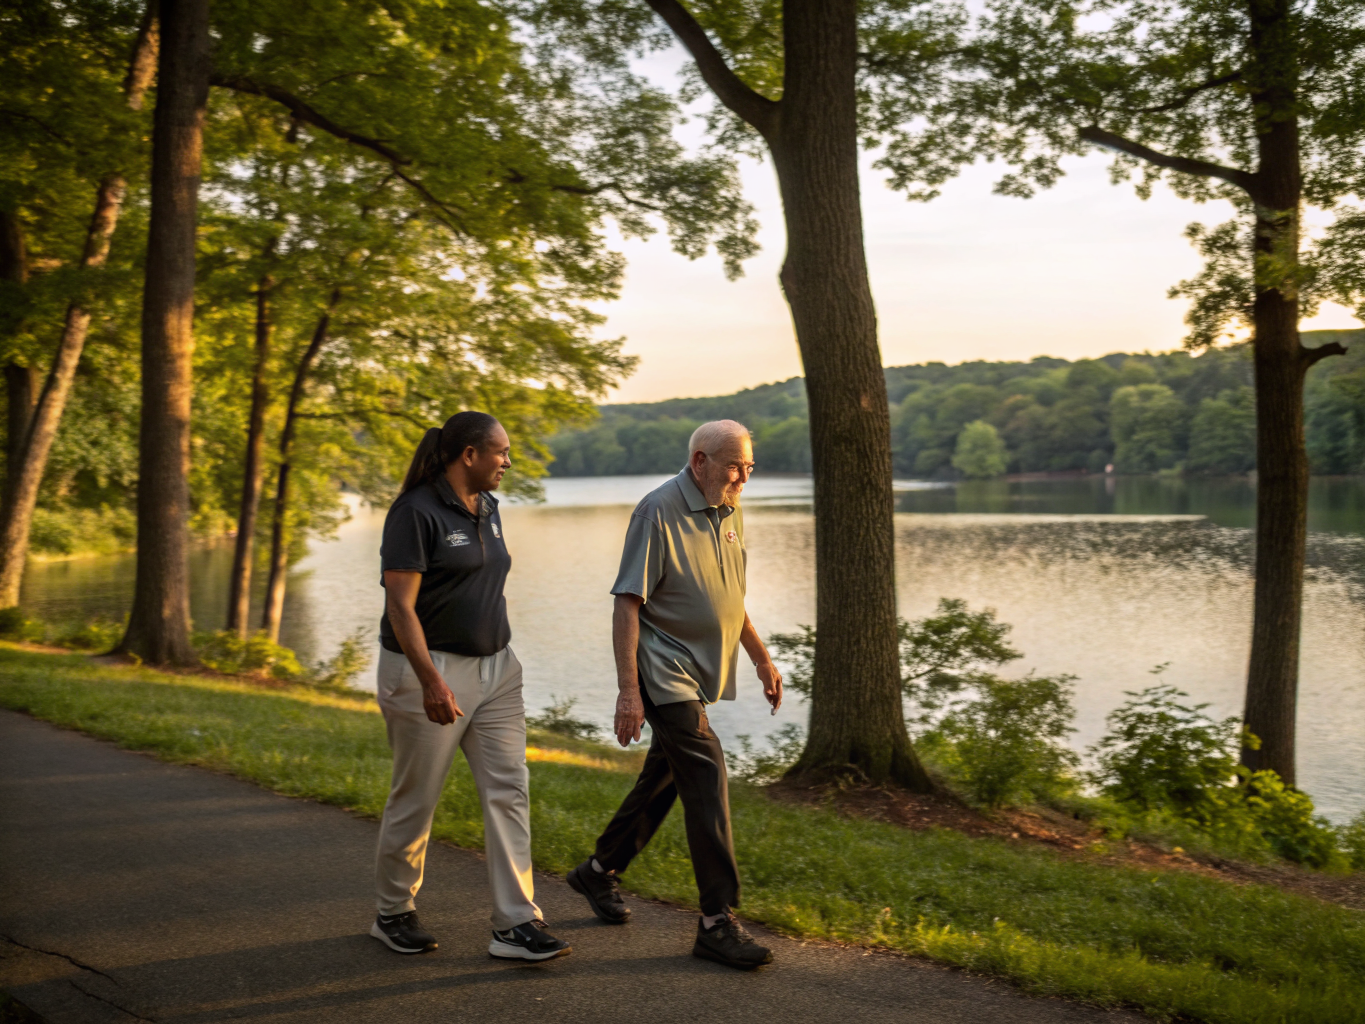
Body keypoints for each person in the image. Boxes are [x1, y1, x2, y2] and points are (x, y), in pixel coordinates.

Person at [566, 419, 783, 969]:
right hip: (664, 671)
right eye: (735, 466)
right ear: (700, 461)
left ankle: (597, 872)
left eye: (750, 466)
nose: (744, 477)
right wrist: (627, 691)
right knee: (706, 774)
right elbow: (627, 601)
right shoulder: (656, 510)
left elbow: (730, 597)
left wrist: (760, 657)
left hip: (700, 671)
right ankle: (716, 922)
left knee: (664, 778)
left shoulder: (729, 510)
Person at [370, 411, 570, 962]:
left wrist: (503, 660)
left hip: (498, 672)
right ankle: (392, 912)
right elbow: (400, 607)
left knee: (510, 788)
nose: (508, 461)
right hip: (428, 673)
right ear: (469, 455)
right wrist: (431, 681)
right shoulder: (415, 512)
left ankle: (515, 922)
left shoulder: (490, 507)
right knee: (418, 796)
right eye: (501, 453)